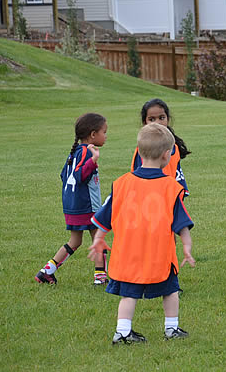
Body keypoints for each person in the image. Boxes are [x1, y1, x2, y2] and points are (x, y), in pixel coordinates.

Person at [89, 123, 195, 344]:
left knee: (129, 294)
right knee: (171, 291)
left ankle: (123, 332)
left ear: (139, 152)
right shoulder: (171, 187)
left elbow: (105, 216)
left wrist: (98, 238)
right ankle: (171, 328)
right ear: (167, 155)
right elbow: (181, 222)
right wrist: (186, 245)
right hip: (160, 255)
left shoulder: (121, 184)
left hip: (129, 255)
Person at [34, 113, 109, 285]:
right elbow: (80, 175)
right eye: (104, 131)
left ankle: (46, 272)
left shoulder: (74, 152)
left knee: (75, 241)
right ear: (92, 134)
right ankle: (101, 279)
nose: (106, 135)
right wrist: (94, 161)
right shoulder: (87, 152)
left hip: (72, 206)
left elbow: (64, 175)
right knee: (98, 239)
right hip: (87, 206)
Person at [132, 98, 190, 195]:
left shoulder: (174, 147)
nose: (158, 122)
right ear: (144, 123)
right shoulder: (143, 149)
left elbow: (177, 177)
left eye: (162, 118)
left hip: (169, 198)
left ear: (168, 119)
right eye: (152, 119)